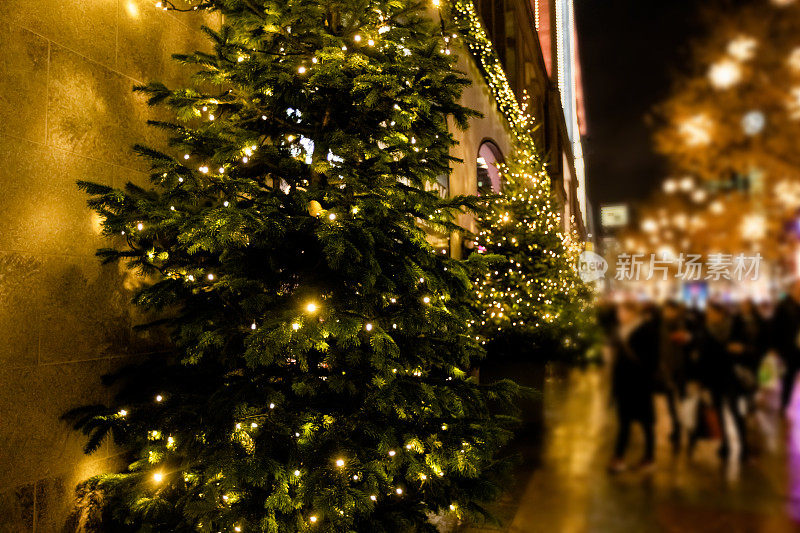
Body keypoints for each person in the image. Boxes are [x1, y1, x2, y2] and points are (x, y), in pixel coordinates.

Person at [691, 302, 749, 461]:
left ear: (720, 313)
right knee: (718, 411)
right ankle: (725, 445)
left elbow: (746, 348)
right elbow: (701, 357)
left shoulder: (735, 327)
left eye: (711, 313)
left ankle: (743, 446)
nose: (708, 316)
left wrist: (741, 349)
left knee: (734, 410)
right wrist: (700, 380)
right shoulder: (704, 330)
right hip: (713, 377)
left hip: (731, 376)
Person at [608, 301, 659, 473]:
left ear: (632, 313)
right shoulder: (622, 330)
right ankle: (619, 458)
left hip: (640, 385)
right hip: (624, 385)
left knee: (646, 423)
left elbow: (652, 360)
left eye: (622, 312)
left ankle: (649, 458)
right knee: (624, 422)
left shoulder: (645, 330)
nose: (619, 316)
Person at [657, 301, 692, 450]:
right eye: (666, 310)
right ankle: (676, 429)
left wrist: (686, 338)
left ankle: (689, 430)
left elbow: (691, 344)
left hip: (682, 369)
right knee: (671, 402)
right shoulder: (661, 326)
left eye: (670, 310)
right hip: (667, 370)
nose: (668, 313)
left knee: (684, 402)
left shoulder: (683, 325)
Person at [772, 280, 800, 411]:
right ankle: (785, 406)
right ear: (793, 288)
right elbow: (775, 329)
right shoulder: (784, 306)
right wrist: (777, 349)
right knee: (787, 380)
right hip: (789, 351)